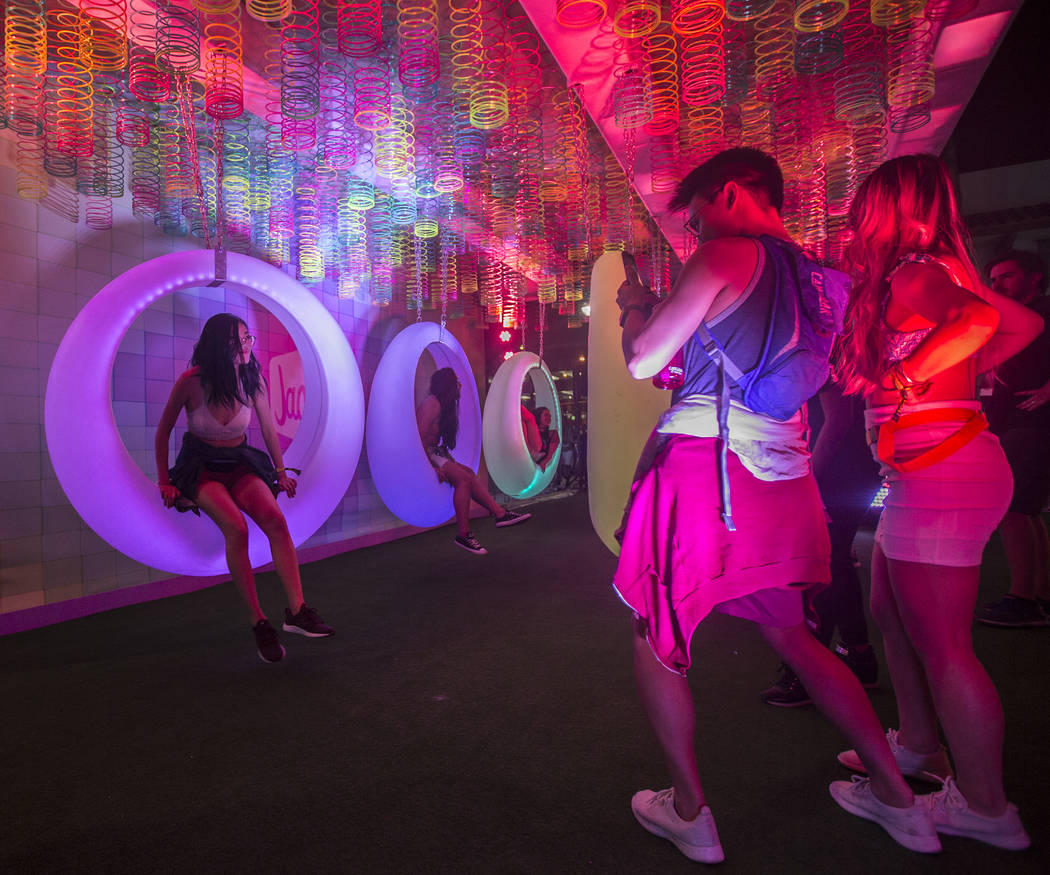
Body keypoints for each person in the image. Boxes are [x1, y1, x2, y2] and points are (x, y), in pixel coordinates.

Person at [613, 148, 939, 863]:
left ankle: (690, 812)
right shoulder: (830, 280)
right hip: (784, 474)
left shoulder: (727, 255)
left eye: (698, 220)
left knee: (655, 635)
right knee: (795, 635)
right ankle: (899, 798)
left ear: (731, 194)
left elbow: (643, 361)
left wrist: (637, 309)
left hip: (706, 470)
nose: (697, 237)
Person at [835, 154, 1039, 851]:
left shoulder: (916, 271)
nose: (857, 219)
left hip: (944, 475)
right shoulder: (938, 272)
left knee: (946, 648)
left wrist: (910, 375)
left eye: (868, 206)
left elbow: (981, 318)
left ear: (896, 210)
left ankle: (986, 807)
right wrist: (958, 365)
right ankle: (919, 745)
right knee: (890, 610)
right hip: (932, 476)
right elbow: (1021, 327)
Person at [155, 313, 334, 663]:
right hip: (202, 466)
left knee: (275, 519)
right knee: (236, 528)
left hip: (239, 461)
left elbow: (268, 429)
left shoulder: (252, 379)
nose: (247, 345)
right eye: (239, 340)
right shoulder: (191, 381)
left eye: (248, 338)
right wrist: (164, 480)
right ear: (219, 346)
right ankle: (259, 622)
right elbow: (162, 433)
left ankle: (297, 611)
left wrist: (281, 472)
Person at [761, 380, 883, 706]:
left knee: (823, 563)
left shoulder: (830, 338)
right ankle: (858, 656)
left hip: (840, 467)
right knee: (836, 559)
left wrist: (809, 478)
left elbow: (838, 418)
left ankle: (808, 674)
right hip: (856, 462)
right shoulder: (839, 339)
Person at [976, 250, 1050, 627]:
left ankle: (1022, 600)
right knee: (1026, 511)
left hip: (1030, 423)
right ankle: (1038, 595)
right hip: (1013, 421)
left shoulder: (1044, 311)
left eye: (1006, 276)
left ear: (1034, 276)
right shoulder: (1012, 314)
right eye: (994, 278)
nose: (997, 284)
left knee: (1014, 511)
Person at [416, 367, 530, 555]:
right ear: (448, 385)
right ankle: (464, 534)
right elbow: (417, 437)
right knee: (463, 479)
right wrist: (428, 466)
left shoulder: (443, 406)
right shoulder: (433, 403)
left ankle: (500, 514)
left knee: (468, 473)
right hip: (425, 454)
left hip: (436, 452)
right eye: (456, 381)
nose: (460, 385)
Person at [531, 406, 560, 471]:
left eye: (550, 416)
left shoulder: (553, 434)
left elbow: (550, 453)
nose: (549, 418)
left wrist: (543, 463)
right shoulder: (531, 431)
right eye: (546, 415)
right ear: (538, 417)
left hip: (538, 467)